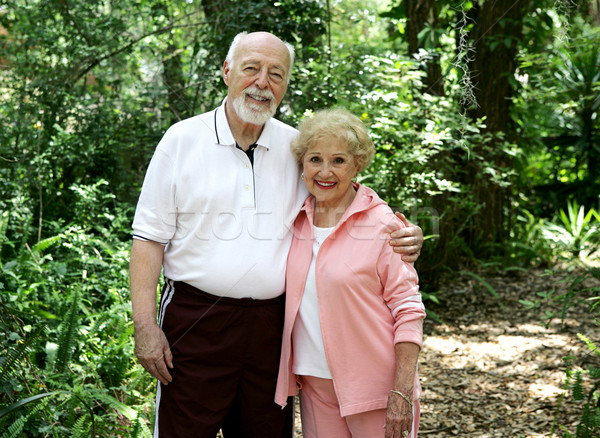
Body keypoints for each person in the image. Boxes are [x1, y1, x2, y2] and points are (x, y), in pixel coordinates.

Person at [130, 31, 424, 438]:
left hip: (273, 331)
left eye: (276, 74)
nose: (262, 83)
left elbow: (344, 193)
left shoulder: (295, 148)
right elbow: (148, 239)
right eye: (251, 68)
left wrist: (404, 232)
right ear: (227, 71)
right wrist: (144, 324)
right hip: (196, 321)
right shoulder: (181, 141)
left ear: (285, 85)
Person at [275, 108, 425, 438]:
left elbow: (409, 310)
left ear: (358, 164)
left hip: (376, 391)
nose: (324, 171)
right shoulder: (295, 220)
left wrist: (400, 392)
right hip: (315, 388)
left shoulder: (384, 225)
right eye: (315, 159)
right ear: (302, 164)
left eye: (338, 160)